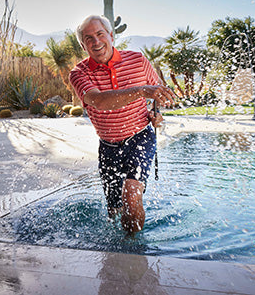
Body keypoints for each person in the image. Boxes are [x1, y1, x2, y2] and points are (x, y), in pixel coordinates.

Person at [69, 15, 175, 234]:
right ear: (83, 44)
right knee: (115, 209)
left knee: (131, 195)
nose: (96, 42)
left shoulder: (137, 60)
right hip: (108, 146)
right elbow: (99, 101)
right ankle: (120, 247)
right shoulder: (79, 74)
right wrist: (141, 91)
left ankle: (134, 251)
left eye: (100, 34)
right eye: (89, 38)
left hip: (140, 138)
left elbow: (158, 93)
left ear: (111, 35)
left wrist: (156, 113)